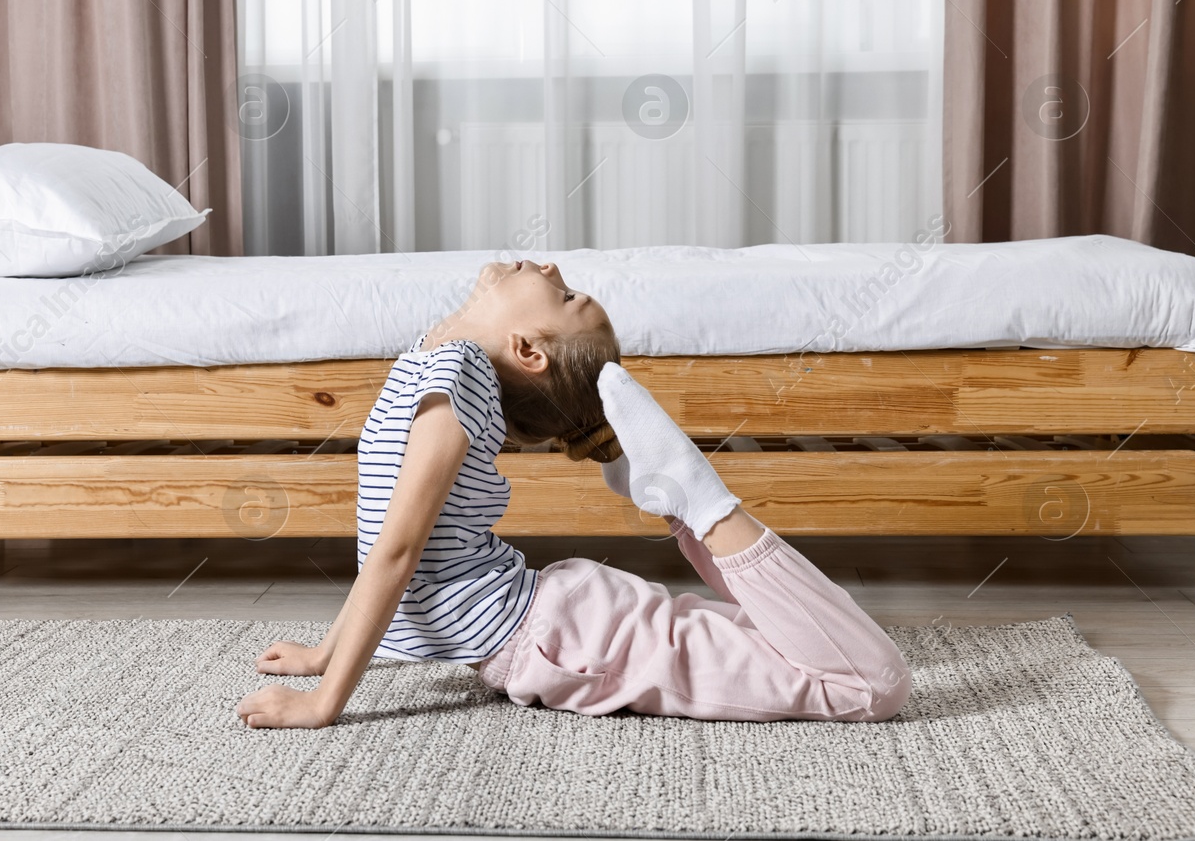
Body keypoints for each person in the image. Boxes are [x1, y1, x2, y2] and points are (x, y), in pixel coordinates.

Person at [235, 259, 912, 728]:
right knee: (809, 648)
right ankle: (685, 502)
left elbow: (399, 550)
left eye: (564, 296)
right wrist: (327, 650)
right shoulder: (433, 360)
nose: (553, 270)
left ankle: (699, 502)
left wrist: (325, 698)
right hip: (562, 622)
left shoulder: (461, 375)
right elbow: (388, 536)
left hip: (565, 631)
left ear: (528, 348)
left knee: (868, 684)